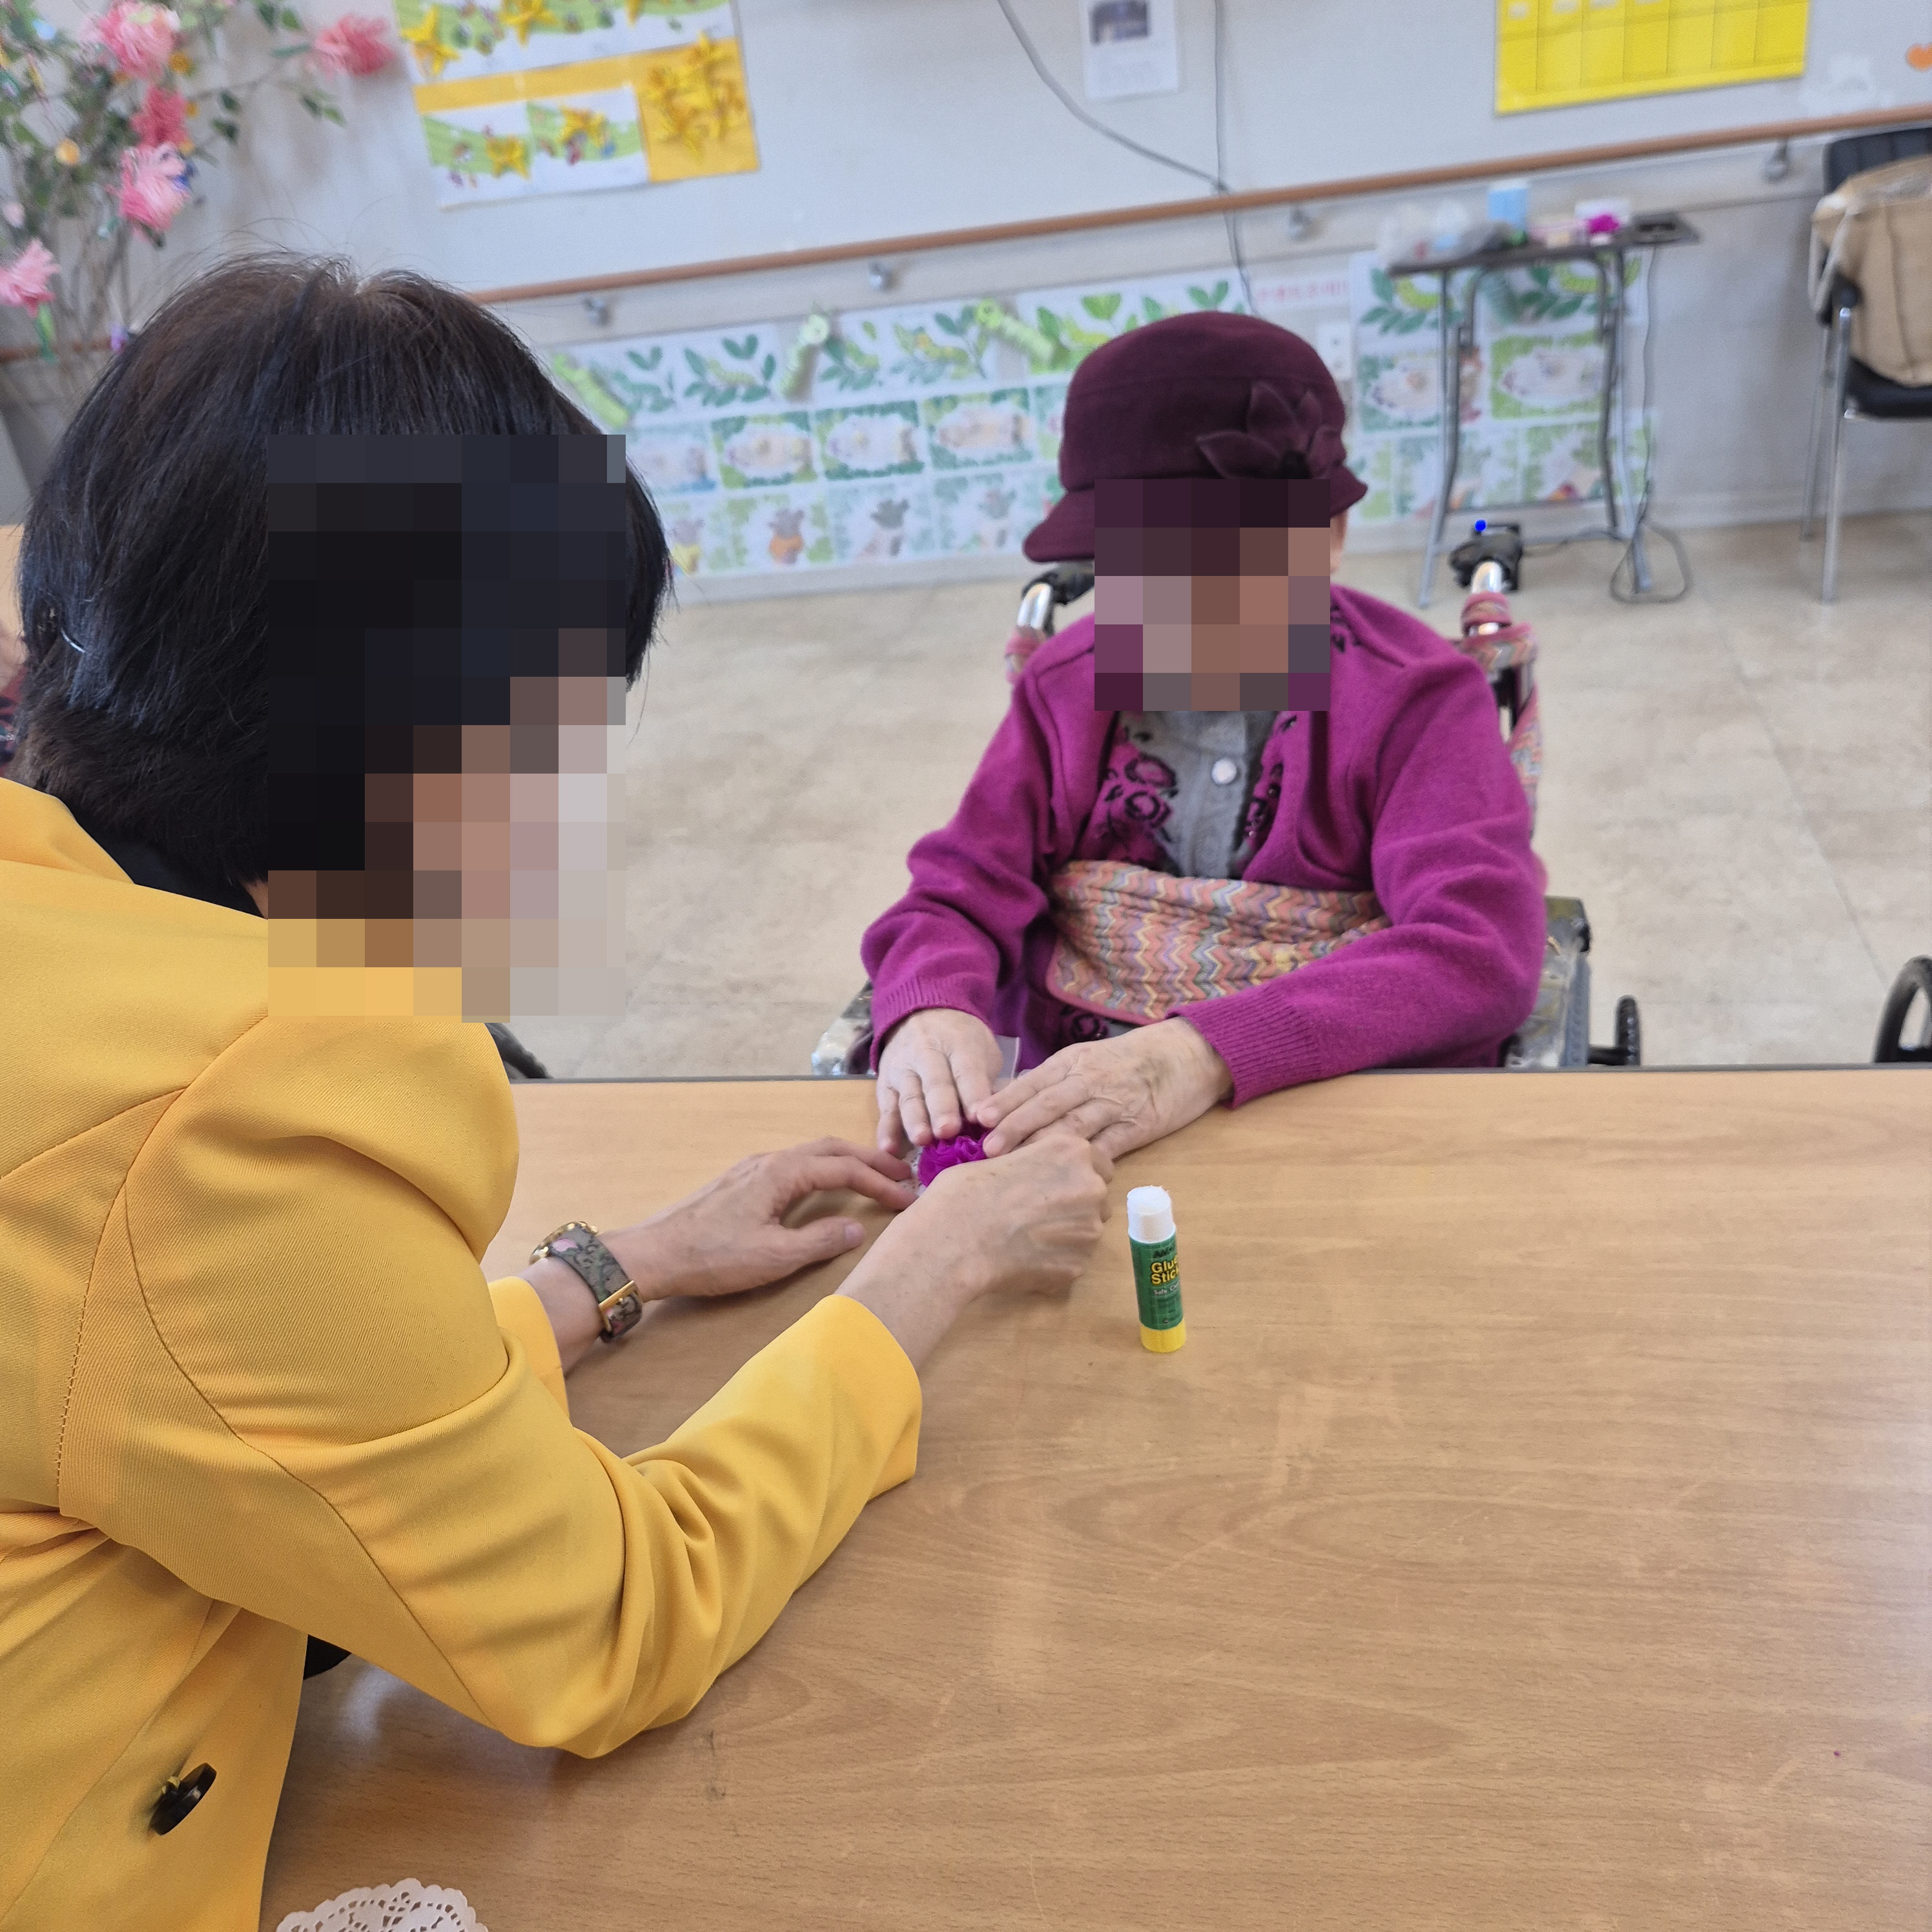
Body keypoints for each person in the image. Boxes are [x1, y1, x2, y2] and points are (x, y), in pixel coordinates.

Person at [0, 257, 1110, 1931]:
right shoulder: (232, 1109)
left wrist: (616, 1269)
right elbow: (605, 1621)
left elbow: (240, 1390)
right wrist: (930, 1267)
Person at [865, 312, 1546, 1166]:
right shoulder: (1065, 686)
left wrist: (1197, 1053)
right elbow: (961, 888)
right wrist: (932, 1005)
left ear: (1328, 538)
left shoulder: (1416, 698)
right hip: (1067, 1107)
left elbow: (1479, 947)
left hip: (1316, 1102)